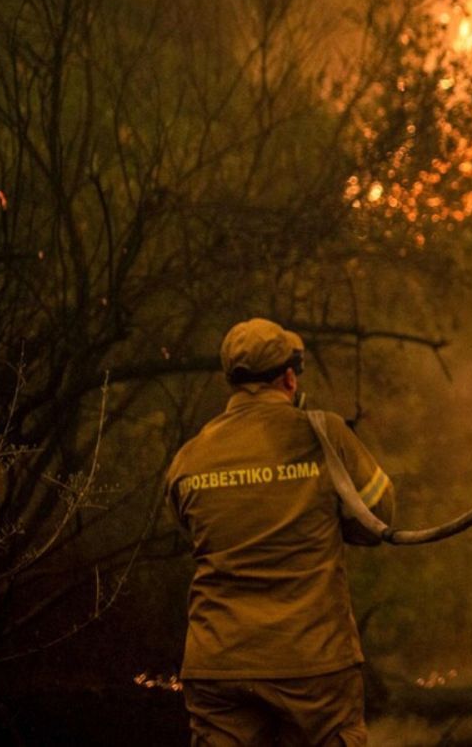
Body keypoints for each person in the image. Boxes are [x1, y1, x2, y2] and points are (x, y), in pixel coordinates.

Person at [166, 318, 395, 746]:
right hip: (312, 665)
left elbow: (193, 533)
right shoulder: (324, 435)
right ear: (289, 378)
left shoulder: (189, 457)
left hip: (218, 663)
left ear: (231, 380)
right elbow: (379, 517)